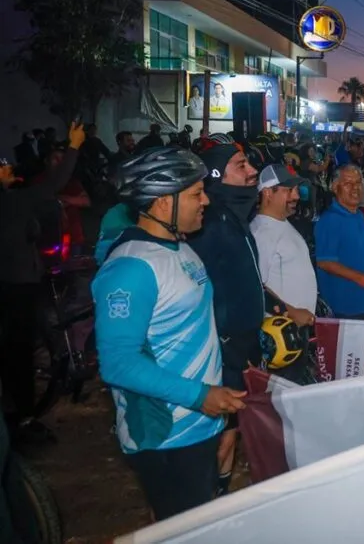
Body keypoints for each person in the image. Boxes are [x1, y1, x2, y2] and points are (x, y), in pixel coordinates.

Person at [91, 147, 245, 520]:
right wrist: (200, 395)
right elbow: (118, 363)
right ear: (163, 202)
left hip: (199, 426)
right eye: (196, 194)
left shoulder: (181, 249)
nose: (206, 201)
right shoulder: (131, 267)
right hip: (166, 437)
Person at [0, 121, 85, 442]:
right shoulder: (13, 202)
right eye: (2, 166)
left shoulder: (11, 202)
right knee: (19, 352)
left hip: (12, 282)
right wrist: (74, 146)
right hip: (18, 286)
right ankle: (22, 418)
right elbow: (54, 184)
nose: (8, 167)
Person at [187, 143, 263, 496]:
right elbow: (196, 289)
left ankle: (217, 499)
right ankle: (205, 507)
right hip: (222, 351)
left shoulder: (233, 218)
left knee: (230, 435)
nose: (252, 171)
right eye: (241, 165)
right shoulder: (209, 224)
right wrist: (220, 339)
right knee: (221, 439)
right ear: (217, 176)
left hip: (241, 345)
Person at [250, 164, 317, 322]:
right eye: (289, 190)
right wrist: (293, 312)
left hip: (296, 327)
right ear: (268, 193)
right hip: (280, 327)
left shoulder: (283, 224)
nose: (296, 196)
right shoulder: (261, 233)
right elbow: (256, 287)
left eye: (296, 190)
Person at [316, 165, 364, 320]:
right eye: (348, 183)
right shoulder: (330, 219)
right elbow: (324, 262)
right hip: (346, 306)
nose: (355, 188)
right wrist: (358, 277)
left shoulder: (359, 215)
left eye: (358, 182)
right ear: (335, 187)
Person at [34, 146, 91, 255]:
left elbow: (86, 201)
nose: (60, 162)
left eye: (63, 159)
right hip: (48, 240)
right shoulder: (38, 181)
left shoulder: (71, 181)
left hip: (74, 237)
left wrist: (61, 199)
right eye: (55, 158)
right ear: (46, 161)